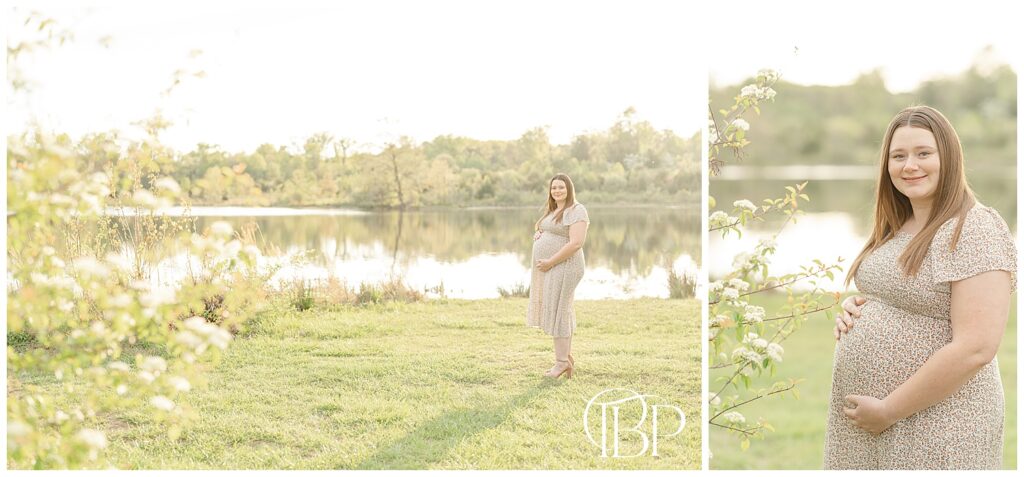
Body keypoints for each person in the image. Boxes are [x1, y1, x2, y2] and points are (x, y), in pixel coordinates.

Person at [823, 106, 1016, 469]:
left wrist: (889, 410)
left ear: (950, 157)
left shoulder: (974, 228)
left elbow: (977, 347)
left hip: (937, 423)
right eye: (899, 156)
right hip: (869, 424)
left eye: (923, 153)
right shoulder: (899, 223)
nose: (910, 165)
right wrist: (859, 307)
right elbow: (900, 293)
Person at [527, 173, 590, 379]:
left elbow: (576, 243)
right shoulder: (554, 209)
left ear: (569, 189)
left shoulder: (576, 210)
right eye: (554, 187)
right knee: (560, 310)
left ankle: (561, 363)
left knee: (559, 311)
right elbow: (549, 229)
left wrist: (550, 261)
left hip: (567, 266)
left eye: (561, 187)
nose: (557, 191)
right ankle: (566, 359)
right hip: (553, 266)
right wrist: (539, 233)